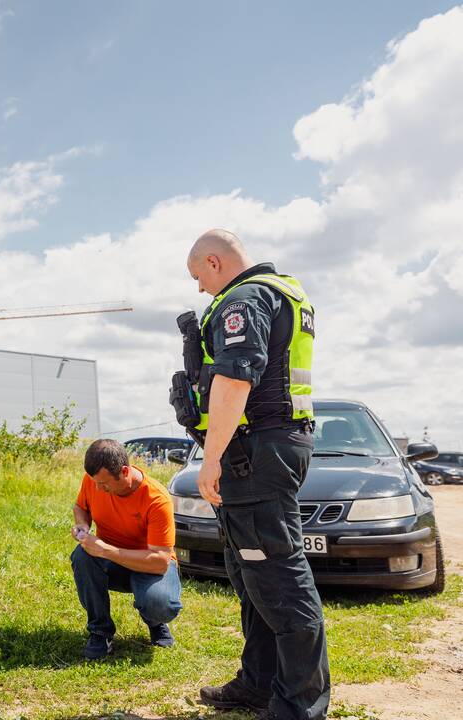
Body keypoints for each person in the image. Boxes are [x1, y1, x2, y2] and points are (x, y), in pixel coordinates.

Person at [186, 229, 328, 720]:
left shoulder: (244, 299)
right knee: (252, 575)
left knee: (277, 577)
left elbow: (234, 377)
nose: (200, 288)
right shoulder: (282, 293)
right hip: (264, 448)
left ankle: (297, 705)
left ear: (213, 261)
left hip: (256, 452)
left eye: (198, 276)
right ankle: (259, 682)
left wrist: (211, 458)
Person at [70, 439, 183, 661]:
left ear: (124, 471)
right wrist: (82, 524)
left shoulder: (156, 499)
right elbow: (80, 507)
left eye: (104, 484)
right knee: (82, 556)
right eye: (95, 483)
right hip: (112, 563)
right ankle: (100, 632)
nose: (99, 488)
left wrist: (105, 551)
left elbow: (160, 561)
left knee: (161, 605)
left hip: (150, 566)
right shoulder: (94, 481)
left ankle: (155, 621)